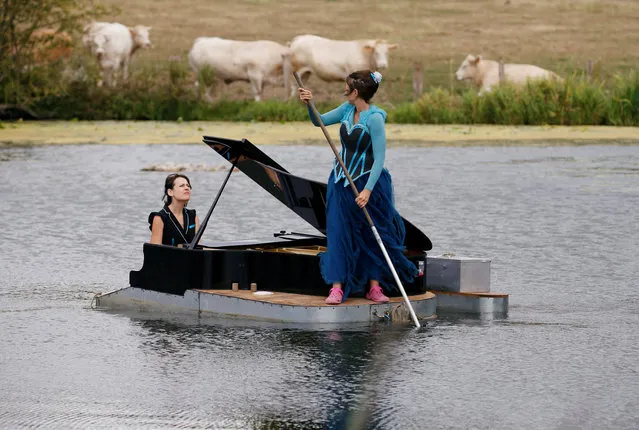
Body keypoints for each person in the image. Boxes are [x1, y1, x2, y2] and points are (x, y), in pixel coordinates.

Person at [298, 69, 418, 305]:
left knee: (372, 233)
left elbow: (380, 158)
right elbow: (318, 122)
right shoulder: (346, 110)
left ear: (356, 92)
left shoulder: (374, 119)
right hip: (341, 181)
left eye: (347, 87)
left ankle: (374, 287)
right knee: (338, 230)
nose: (344, 90)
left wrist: (367, 190)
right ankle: (336, 288)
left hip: (369, 182)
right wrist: (309, 104)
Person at [149, 173, 200, 246]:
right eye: (182, 186)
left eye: (188, 185)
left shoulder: (193, 216)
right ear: (170, 192)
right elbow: (154, 251)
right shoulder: (159, 218)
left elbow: (199, 246)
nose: (187, 188)